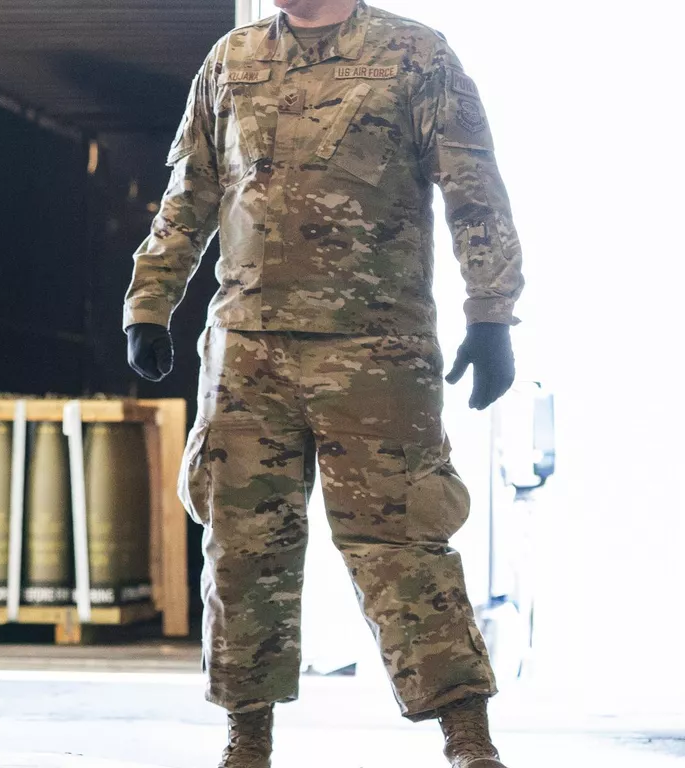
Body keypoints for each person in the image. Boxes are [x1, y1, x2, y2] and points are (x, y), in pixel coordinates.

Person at [121, 0, 522, 766]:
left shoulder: (415, 54)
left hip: (376, 352)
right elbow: (191, 193)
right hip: (247, 353)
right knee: (243, 550)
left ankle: (469, 740)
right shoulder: (232, 60)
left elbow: (473, 187)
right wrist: (149, 301)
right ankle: (247, 742)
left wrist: (491, 312)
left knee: (405, 544)